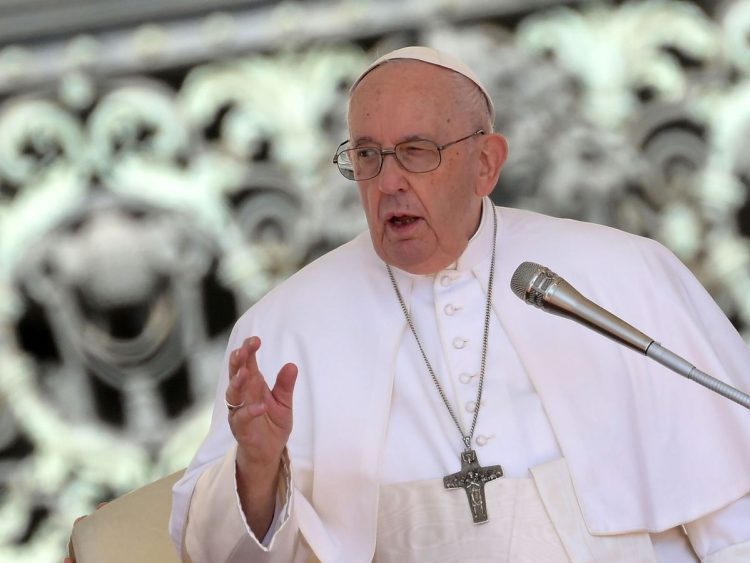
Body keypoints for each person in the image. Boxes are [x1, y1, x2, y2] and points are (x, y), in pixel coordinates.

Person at [170, 46, 750, 562]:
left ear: (486, 164)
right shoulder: (286, 326)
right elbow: (217, 552)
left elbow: (735, 517)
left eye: (416, 152)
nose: (388, 182)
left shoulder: (621, 274)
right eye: (368, 156)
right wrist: (258, 467)